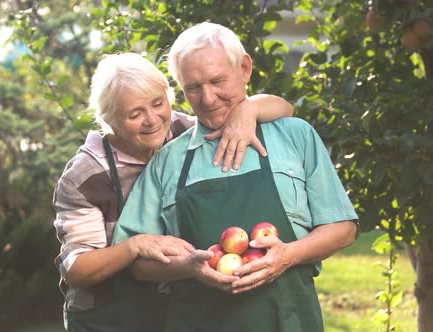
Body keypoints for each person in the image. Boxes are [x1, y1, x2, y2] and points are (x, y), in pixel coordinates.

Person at [112, 22, 359, 332]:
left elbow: (343, 228)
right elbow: (138, 263)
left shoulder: (295, 136)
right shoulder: (167, 161)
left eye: (218, 81)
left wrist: (287, 255)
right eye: (192, 88)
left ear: (244, 68)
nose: (208, 98)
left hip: (290, 320)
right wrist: (188, 268)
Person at [53, 52, 294, 331]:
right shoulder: (86, 177)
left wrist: (248, 110)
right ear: (109, 120)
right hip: (108, 316)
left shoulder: (185, 132)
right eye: (134, 114)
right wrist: (135, 245)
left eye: (158, 103)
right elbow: (77, 271)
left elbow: (285, 108)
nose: (152, 120)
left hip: (173, 308)